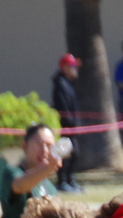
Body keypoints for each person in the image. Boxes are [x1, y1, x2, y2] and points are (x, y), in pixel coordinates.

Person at [0, 124, 64, 218]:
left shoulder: (50, 187)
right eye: (39, 144)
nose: (45, 151)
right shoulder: (12, 173)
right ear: (24, 146)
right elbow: (20, 186)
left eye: (49, 146)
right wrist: (47, 168)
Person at [50, 54, 81, 192]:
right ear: (64, 67)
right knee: (65, 154)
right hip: (65, 126)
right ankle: (62, 181)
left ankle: (71, 180)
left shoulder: (69, 83)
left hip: (72, 126)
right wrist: (69, 121)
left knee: (75, 154)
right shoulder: (60, 84)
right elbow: (62, 106)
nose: (75, 69)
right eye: (72, 66)